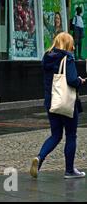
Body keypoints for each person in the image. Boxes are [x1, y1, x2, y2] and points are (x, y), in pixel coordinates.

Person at [30, 32, 86, 179]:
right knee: (71, 135)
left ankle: (39, 158)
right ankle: (69, 170)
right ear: (68, 44)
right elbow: (72, 80)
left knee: (55, 135)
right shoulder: (67, 58)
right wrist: (80, 81)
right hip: (66, 103)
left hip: (51, 102)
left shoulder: (47, 57)